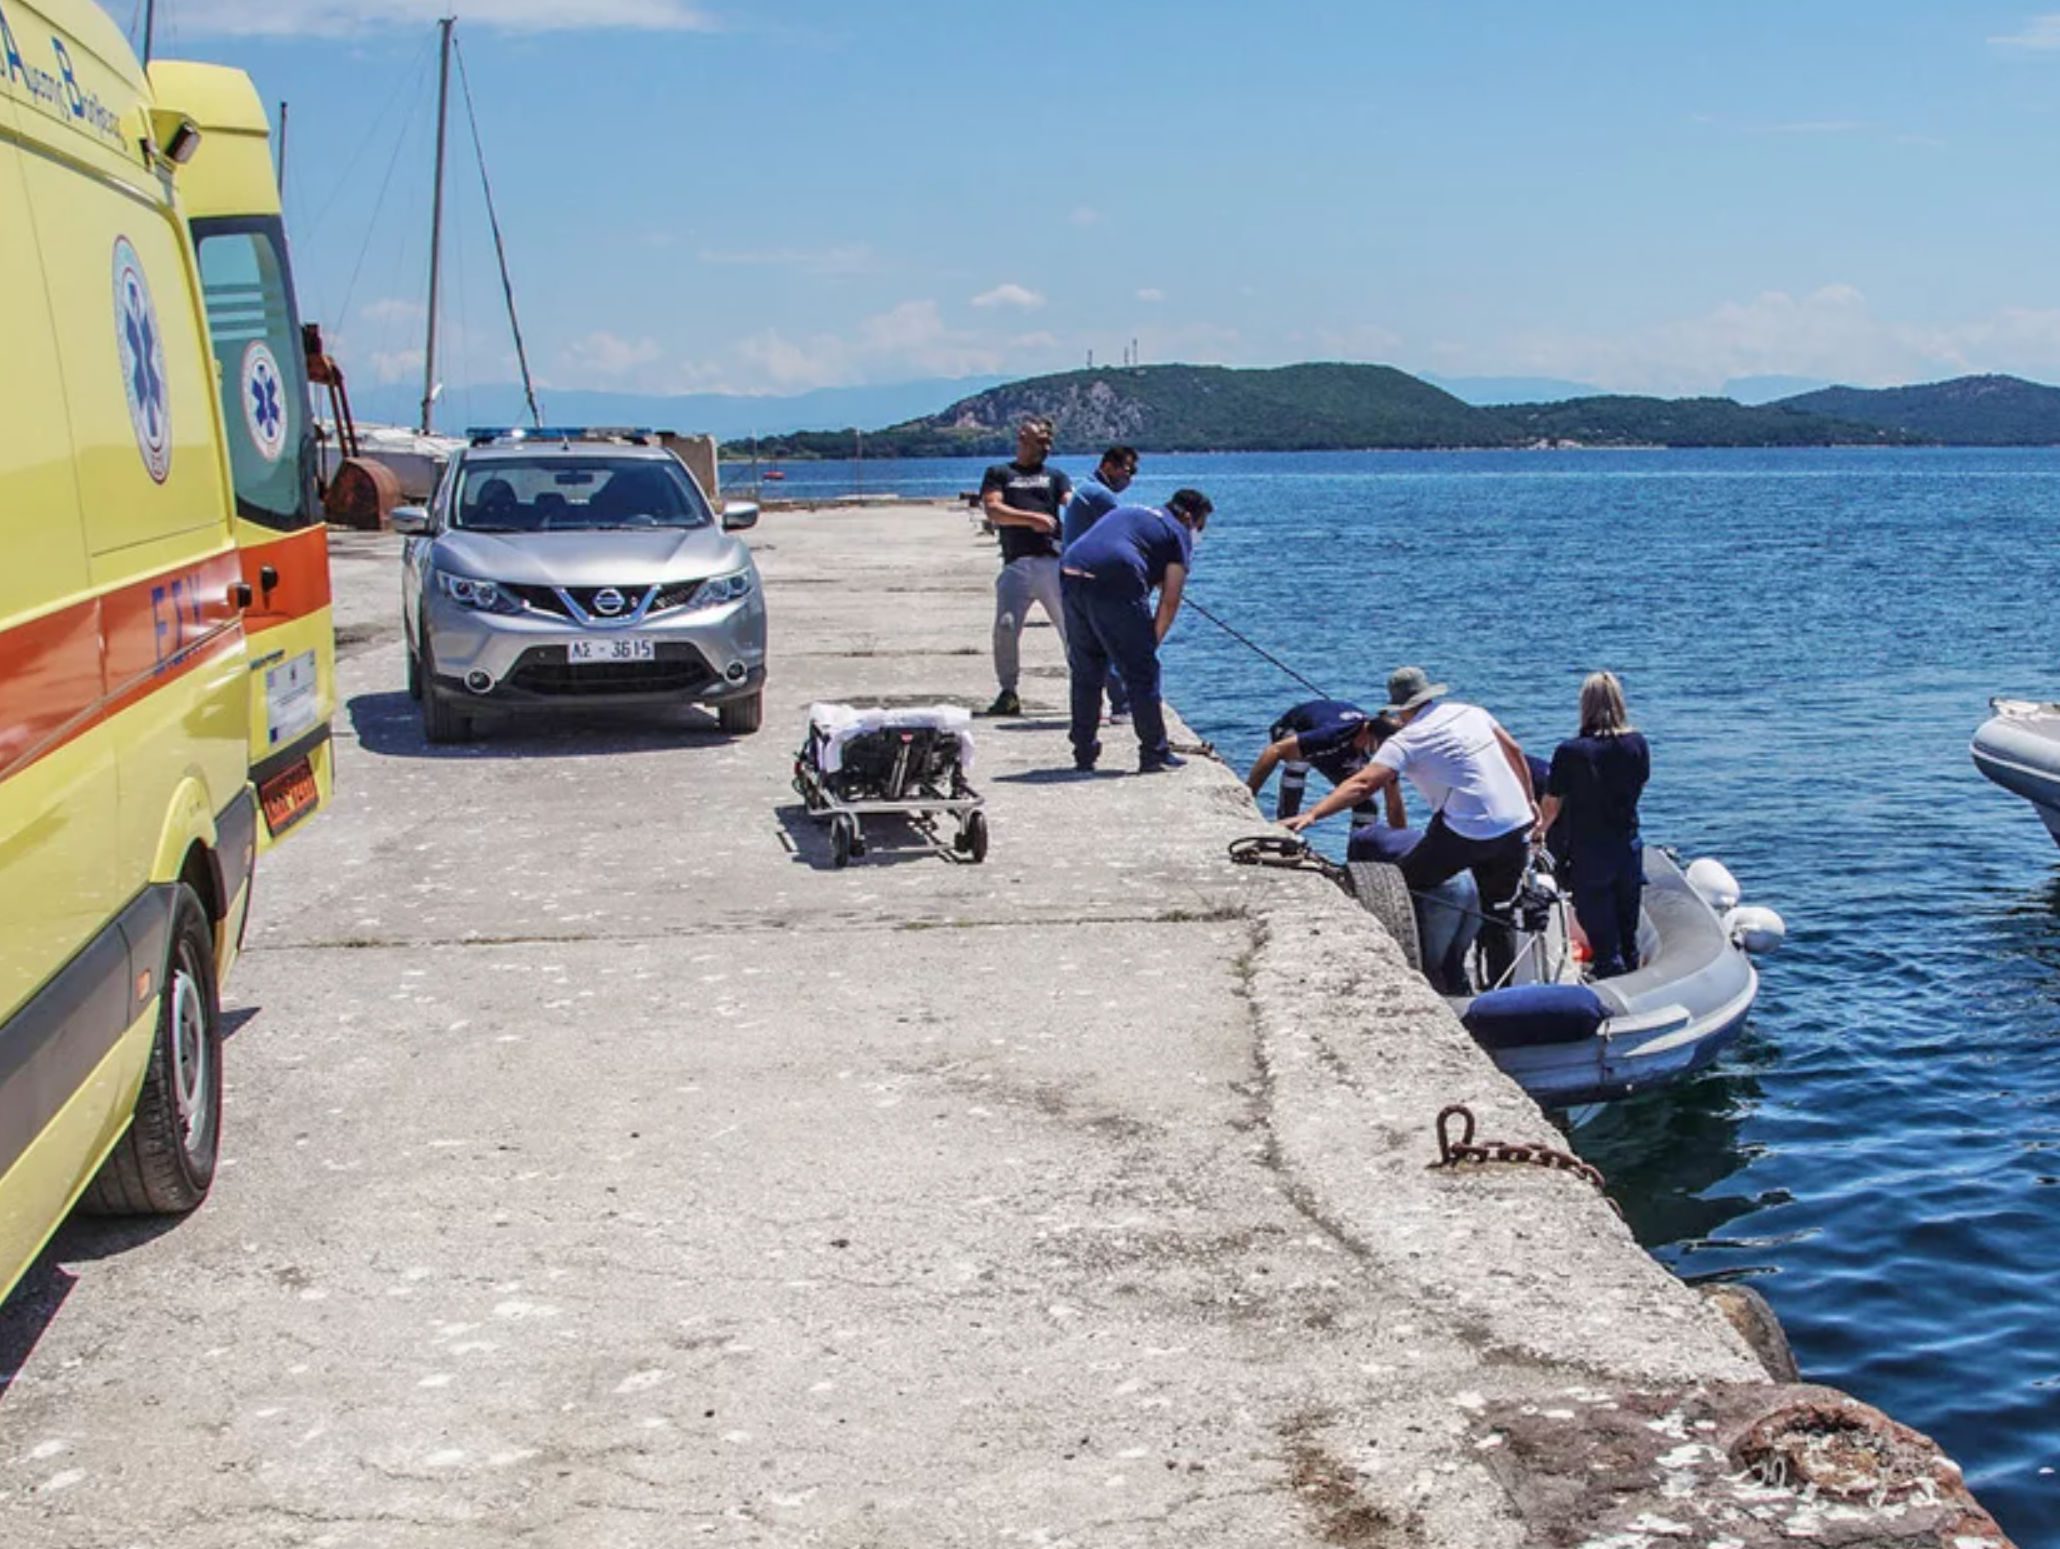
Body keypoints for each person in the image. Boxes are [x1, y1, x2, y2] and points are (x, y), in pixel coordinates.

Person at [1284, 666, 1538, 977]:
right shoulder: (1471, 712)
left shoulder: (1407, 740)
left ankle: (1429, 970)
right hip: (1515, 824)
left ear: (1400, 710)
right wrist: (1530, 802)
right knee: (1499, 911)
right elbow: (1514, 751)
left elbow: (1363, 784)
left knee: (1401, 887)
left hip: (1466, 831)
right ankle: (1501, 990)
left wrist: (1312, 814)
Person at [1060, 489, 1213, 773]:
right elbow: (1170, 601)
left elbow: (1119, 545)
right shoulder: (1177, 532)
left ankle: (1084, 750)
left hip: (1072, 568)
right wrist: (1148, 645)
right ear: (1190, 517)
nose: (1198, 534)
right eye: (1201, 526)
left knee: (1086, 670)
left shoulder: (1133, 512)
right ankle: (1154, 753)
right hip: (1117, 575)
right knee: (1142, 673)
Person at [1537, 671, 1650, 978]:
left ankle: (1610, 991)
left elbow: (1551, 805)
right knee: (1629, 932)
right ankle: (1635, 982)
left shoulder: (1571, 752)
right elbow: (1639, 785)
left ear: (1585, 705)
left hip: (1590, 851)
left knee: (1602, 937)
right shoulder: (1637, 744)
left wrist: (1537, 833)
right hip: (1628, 845)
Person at [979, 417, 1073, 717]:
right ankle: (1008, 691)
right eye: (1041, 439)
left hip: (1051, 562)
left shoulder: (1055, 476)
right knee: (1005, 627)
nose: (1047, 446)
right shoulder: (1000, 473)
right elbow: (994, 510)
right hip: (1016, 563)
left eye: (1048, 441)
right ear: (1023, 437)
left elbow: (1071, 501)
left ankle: (1085, 688)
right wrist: (1031, 519)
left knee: (1071, 628)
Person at [1060, 446, 1140, 719]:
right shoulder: (1100, 496)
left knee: (1087, 649)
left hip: (1073, 578)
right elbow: (1124, 535)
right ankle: (1123, 705)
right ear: (1108, 466)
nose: (1130, 478)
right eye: (1127, 470)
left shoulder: (1085, 490)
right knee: (1111, 642)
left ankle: (1089, 718)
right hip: (1091, 581)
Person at [1247, 700, 1406, 825]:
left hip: (1342, 746)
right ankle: (1287, 820)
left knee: (1366, 805)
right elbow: (1274, 751)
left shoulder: (1385, 754)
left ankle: (1357, 859)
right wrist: (1249, 795)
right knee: (1298, 760)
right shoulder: (1333, 735)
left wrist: (1402, 844)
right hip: (1292, 727)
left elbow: (1394, 805)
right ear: (1367, 735)